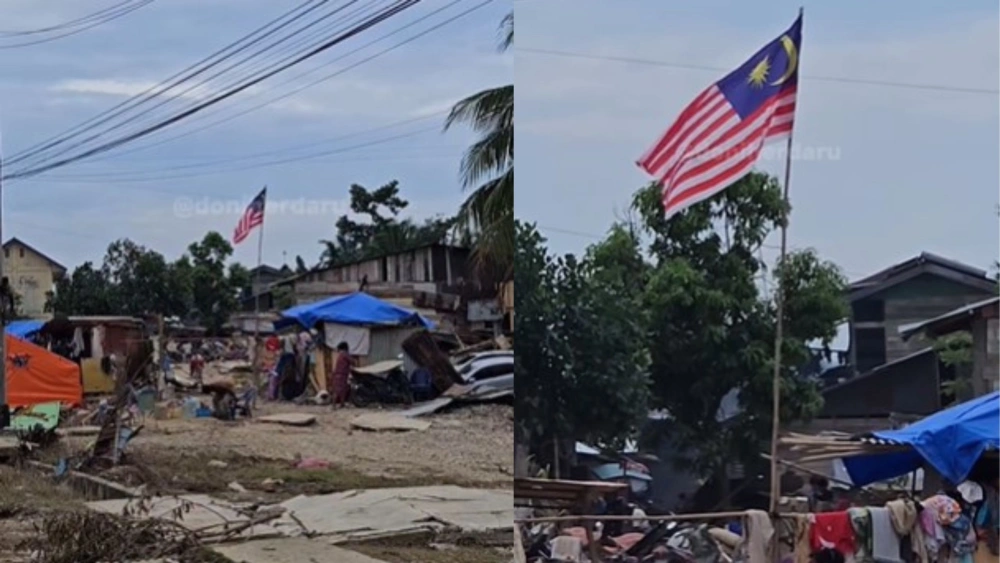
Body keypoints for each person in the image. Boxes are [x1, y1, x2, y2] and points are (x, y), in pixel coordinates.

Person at [330, 341, 353, 408]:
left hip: (339, 374)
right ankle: (334, 405)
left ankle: (341, 404)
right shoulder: (344, 354)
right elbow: (352, 361)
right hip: (341, 375)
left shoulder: (340, 355)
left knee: (341, 390)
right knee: (339, 390)